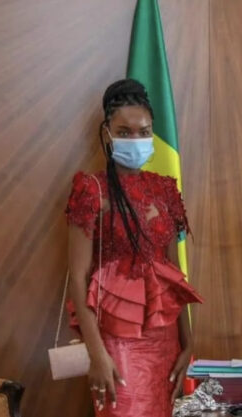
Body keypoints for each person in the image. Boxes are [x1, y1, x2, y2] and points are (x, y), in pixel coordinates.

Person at [66, 79, 203, 417]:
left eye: (144, 132)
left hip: (165, 338)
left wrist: (188, 343)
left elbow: (175, 276)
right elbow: (78, 277)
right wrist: (97, 354)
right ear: (107, 133)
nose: (136, 139)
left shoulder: (165, 190)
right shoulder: (91, 189)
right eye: (124, 132)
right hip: (114, 338)